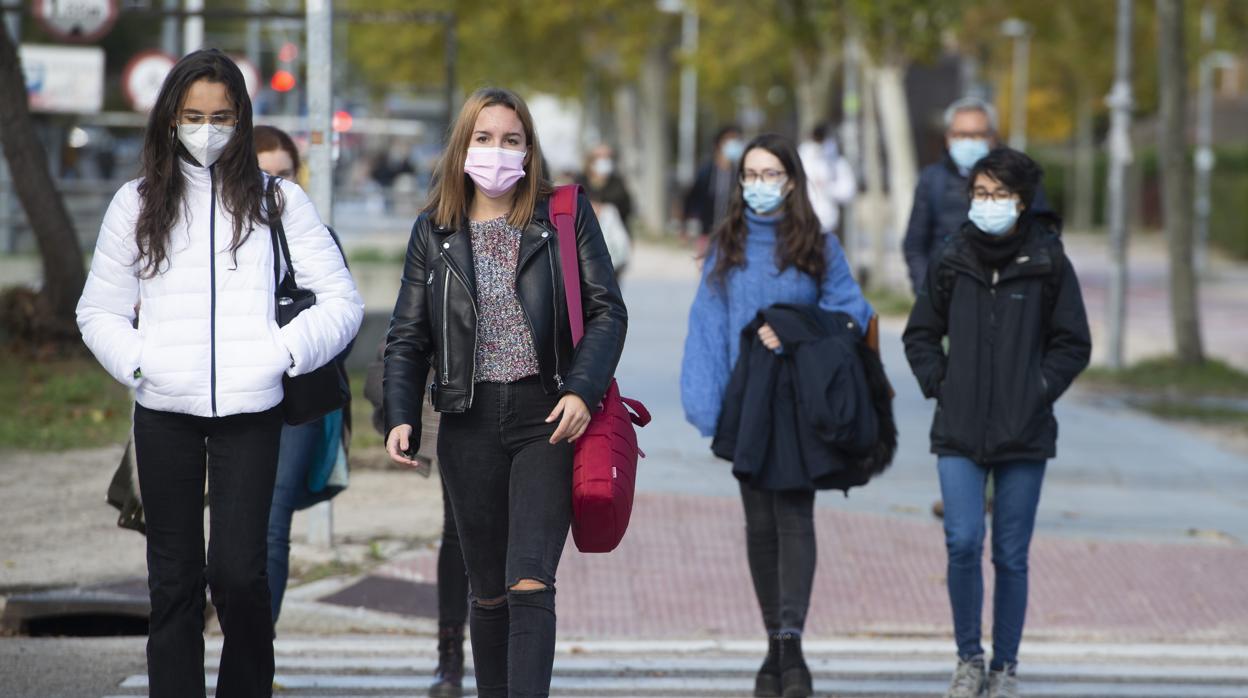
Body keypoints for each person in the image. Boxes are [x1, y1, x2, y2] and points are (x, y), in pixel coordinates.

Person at [76, 49, 363, 697]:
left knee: (239, 574)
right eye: (193, 116)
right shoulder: (137, 203)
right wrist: (141, 363)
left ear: (241, 119)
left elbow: (344, 302)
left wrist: (281, 354)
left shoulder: (277, 202)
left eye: (222, 116)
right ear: (170, 119)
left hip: (250, 410)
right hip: (164, 413)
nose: (207, 129)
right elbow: (99, 310)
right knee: (173, 583)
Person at [382, 87, 627, 697]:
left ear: (529, 149)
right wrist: (399, 412)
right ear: (462, 146)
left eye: (511, 140)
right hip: (466, 421)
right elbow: (407, 334)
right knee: (487, 591)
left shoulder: (562, 218)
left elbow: (607, 312)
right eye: (484, 139)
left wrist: (582, 390)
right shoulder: (433, 230)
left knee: (529, 582)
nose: (497, 152)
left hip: (547, 415)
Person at [680, 134, 874, 698]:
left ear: (791, 180)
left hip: (800, 403)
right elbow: (708, 327)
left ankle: (791, 648)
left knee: (794, 518)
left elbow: (852, 311)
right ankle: (775, 647)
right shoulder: (727, 246)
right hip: (747, 405)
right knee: (760, 526)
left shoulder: (817, 244)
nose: (760, 185)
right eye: (751, 175)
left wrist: (794, 327)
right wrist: (706, 404)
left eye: (771, 174)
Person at [902, 148, 1091, 698]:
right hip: (957, 428)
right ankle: (968, 658)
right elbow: (919, 333)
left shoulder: (1048, 260)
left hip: (1024, 431)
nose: (988, 204)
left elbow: (1073, 342)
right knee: (962, 542)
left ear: (1023, 201)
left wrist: (1038, 388)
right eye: (981, 193)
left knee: (1010, 552)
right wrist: (941, 381)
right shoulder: (952, 255)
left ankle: (1005, 667)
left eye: (1000, 194)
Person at [253, 125, 354, 627]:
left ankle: (254, 651)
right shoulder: (215, 240)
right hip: (231, 400)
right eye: (263, 174)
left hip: (297, 402)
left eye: (286, 175)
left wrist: (296, 347)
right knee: (231, 530)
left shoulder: (316, 236)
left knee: (273, 524)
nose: (275, 187)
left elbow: (345, 321)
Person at [364, 345, 468, 697]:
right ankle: (450, 656)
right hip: (459, 403)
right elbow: (405, 334)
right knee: (459, 531)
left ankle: (510, 649)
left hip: (528, 402)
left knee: (514, 537)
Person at [902, 97, 1051, 295]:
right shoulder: (932, 180)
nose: (968, 142)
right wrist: (927, 292)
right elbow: (915, 244)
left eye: (977, 135)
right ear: (948, 137)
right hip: (947, 293)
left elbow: (1044, 235)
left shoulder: (1020, 175)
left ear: (992, 137)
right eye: (961, 135)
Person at [683, 124, 745, 240]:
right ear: (719, 144)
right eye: (729, 140)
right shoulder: (706, 172)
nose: (733, 144)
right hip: (707, 233)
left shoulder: (739, 174)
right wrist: (686, 224)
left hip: (732, 235)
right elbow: (692, 198)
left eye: (736, 140)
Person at [797, 123, 856, 235]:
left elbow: (848, 191)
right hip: (803, 223)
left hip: (828, 222)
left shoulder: (836, 161)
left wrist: (828, 188)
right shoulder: (802, 158)